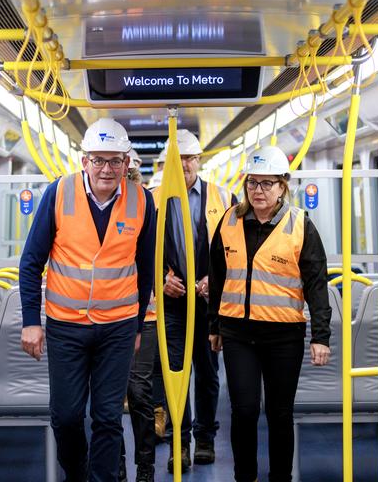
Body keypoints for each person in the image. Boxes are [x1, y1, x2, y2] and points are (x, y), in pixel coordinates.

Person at [19, 117, 156, 482]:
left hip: (118, 327)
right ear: (84, 161)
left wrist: (139, 323)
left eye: (114, 160)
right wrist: (31, 320)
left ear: (127, 164)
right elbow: (31, 261)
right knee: (65, 416)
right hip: (66, 326)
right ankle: (77, 474)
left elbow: (145, 268)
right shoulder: (58, 193)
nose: (106, 169)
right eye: (98, 160)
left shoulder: (143, 201)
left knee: (109, 418)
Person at [207, 145, 331, 482]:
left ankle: (281, 477)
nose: (258, 191)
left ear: (282, 186)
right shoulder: (229, 220)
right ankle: (243, 477)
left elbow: (317, 283)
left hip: (283, 336)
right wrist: (214, 325)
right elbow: (218, 277)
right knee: (244, 411)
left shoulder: (300, 226)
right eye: (252, 183)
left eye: (266, 183)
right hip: (237, 334)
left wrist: (321, 335)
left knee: (279, 413)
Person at [150, 129, 237, 473]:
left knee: (207, 372)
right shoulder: (152, 199)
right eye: (179, 158)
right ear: (168, 162)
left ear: (199, 161)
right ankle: (178, 442)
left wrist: (210, 282)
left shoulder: (224, 198)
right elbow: (143, 253)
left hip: (208, 301)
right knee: (175, 372)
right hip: (172, 302)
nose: (185, 164)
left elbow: (235, 253)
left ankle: (204, 438)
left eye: (190, 158)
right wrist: (161, 281)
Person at [117, 147, 156, 482]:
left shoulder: (146, 205)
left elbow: (151, 260)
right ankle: (116, 464)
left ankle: (145, 466)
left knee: (139, 391)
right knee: (110, 398)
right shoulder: (94, 208)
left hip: (146, 316)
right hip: (111, 317)